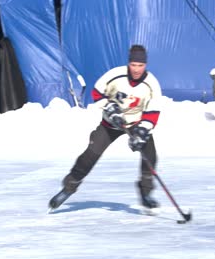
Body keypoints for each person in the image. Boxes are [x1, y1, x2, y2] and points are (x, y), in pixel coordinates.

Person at [49, 44, 162, 211]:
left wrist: (142, 131)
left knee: (150, 156)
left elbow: (152, 112)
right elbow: (97, 92)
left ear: (145, 65)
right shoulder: (116, 75)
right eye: (133, 65)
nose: (136, 69)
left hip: (135, 123)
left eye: (140, 65)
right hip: (111, 124)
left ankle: (145, 193)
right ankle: (69, 186)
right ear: (128, 63)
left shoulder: (151, 84)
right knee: (91, 154)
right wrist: (109, 107)